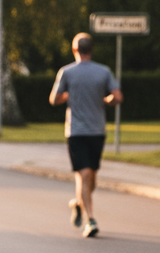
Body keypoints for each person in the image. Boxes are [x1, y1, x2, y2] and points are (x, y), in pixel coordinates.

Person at [49, 32, 123, 237]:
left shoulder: (66, 72)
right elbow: (118, 97)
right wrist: (105, 100)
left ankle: (79, 203)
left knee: (90, 177)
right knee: (85, 175)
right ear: (91, 49)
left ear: (75, 49)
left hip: (78, 131)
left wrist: (67, 96)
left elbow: (53, 99)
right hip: (92, 131)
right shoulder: (104, 72)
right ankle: (90, 219)